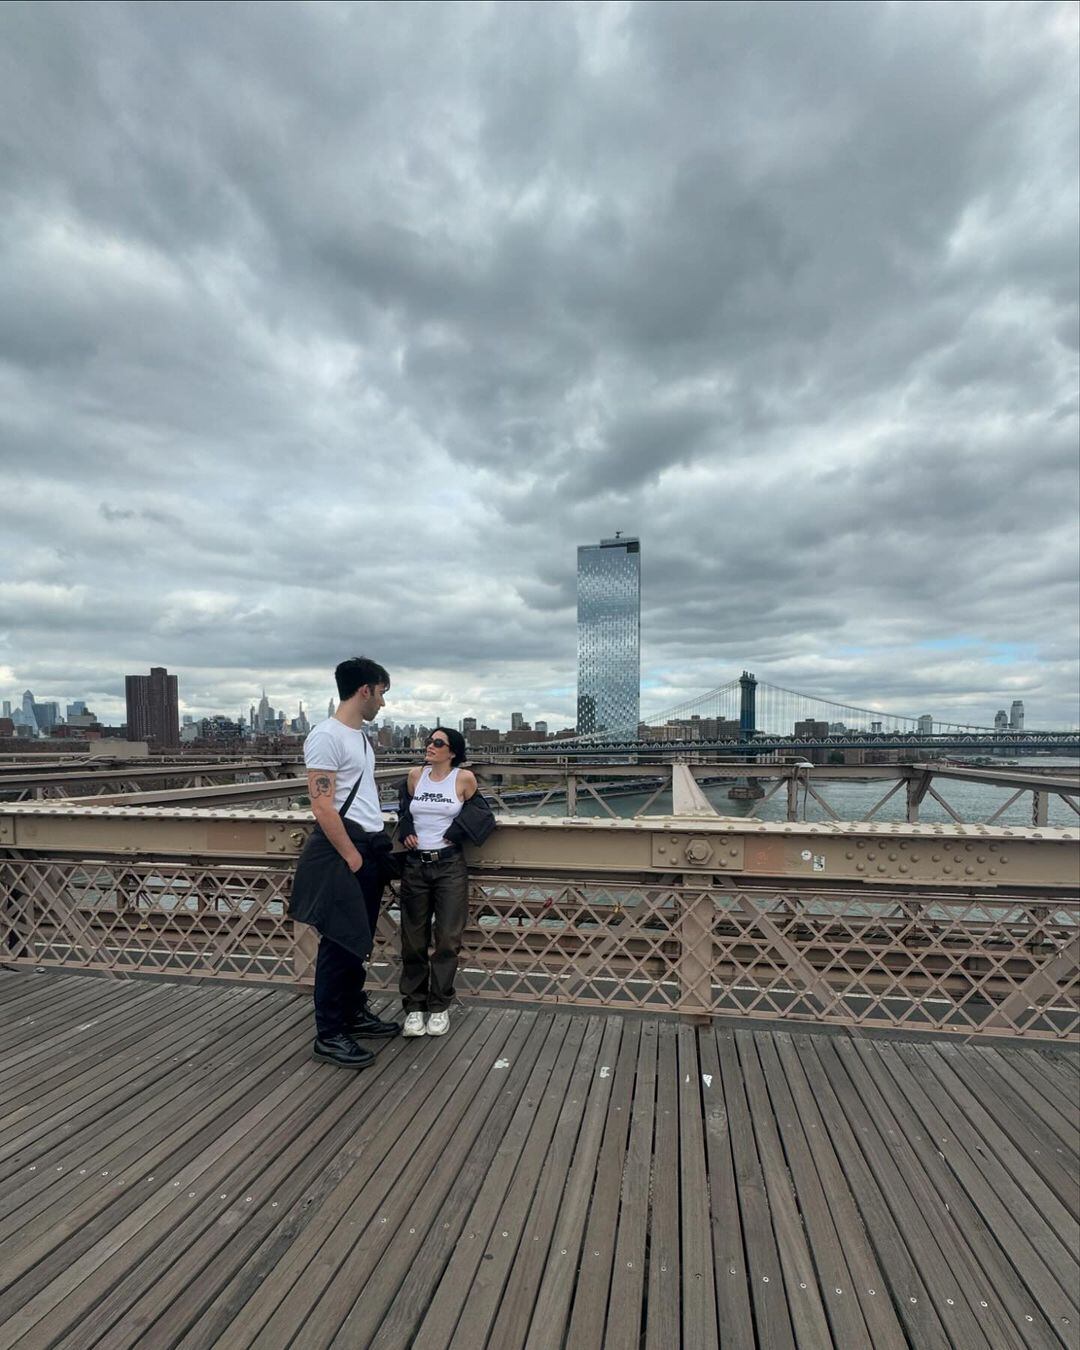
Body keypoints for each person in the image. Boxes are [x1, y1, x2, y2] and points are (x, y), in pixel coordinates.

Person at [288, 656, 401, 1068]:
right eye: (381, 693)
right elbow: (322, 805)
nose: (382, 703)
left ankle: (352, 1013)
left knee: (358, 940)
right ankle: (330, 1034)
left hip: (368, 847)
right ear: (364, 690)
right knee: (338, 943)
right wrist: (352, 857)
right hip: (345, 852)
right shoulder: (326, 736)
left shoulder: (362, 739)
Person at [395, 726, 495, 1036]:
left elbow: (482, 814)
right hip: (415, 865)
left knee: (448, 939)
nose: (430, 746)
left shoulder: (464, 779)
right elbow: (404, 808)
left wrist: (456, 833)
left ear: (452, 751)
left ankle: (439, 1006)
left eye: (438, 743)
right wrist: (406, 828)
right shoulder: (415, 776)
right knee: (413, 939)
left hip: (449, 866)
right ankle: (414, 1007)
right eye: (429, 741)